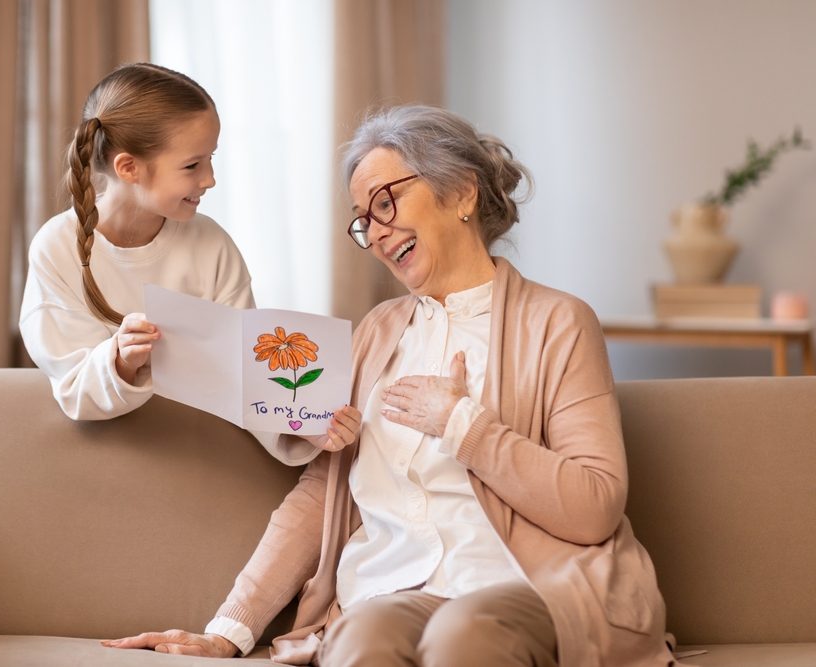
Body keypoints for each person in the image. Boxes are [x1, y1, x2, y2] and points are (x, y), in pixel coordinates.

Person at [103, 105, 675, 666]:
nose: (376, 233)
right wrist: (229, 630)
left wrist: (465, 426)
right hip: (388, 592)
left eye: (385, 202)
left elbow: (595, 507)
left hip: (520, 586)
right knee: (362, 640)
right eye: (363, 220)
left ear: (462, 194)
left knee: (463, 635)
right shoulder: (375, 333)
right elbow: (316, 496)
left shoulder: (559, 321)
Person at [20, 63, 352, 464]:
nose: (210, 178)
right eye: (193, 165)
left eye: (211, 159)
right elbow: (73, 387)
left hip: (199, 459)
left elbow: (243, 368)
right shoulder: (55, 249)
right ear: (129, 168)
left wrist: (305, 424)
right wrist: (122, 361)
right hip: (97, 462)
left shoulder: (211, 244)